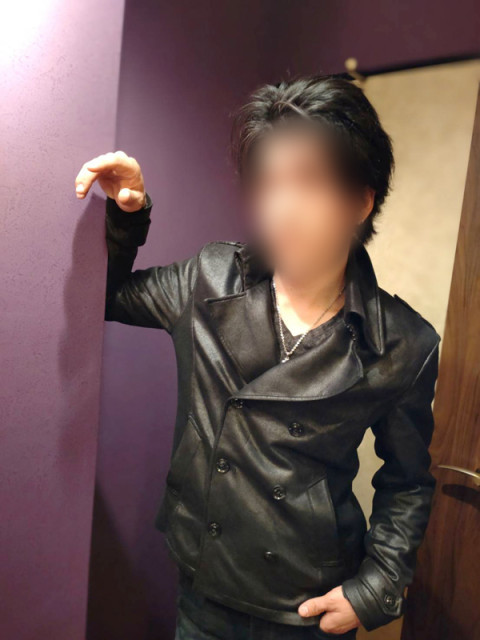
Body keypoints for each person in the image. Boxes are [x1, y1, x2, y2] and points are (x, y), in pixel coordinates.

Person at [75, 74, 441, 639]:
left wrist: (375, 589)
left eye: (308, 182)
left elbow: (408, 481)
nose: (281, 207)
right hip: (203, 586)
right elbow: (101, 297)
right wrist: (128, 215)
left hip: (306, 603)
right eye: (268, 183)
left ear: (360, 201)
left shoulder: (402, 343)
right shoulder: (209, 279)